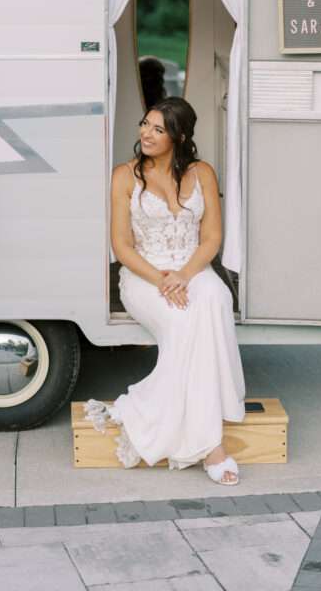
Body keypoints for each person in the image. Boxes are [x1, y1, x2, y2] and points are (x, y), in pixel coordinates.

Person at [86, 97, 245, 484]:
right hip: (143, 275)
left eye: (158, 129)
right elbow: (122, 248)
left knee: (217, 299)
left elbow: (212, 238)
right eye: (145, 125)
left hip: (193, 268)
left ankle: (167, 418)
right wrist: (161, 279)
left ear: (180, 135)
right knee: (184, 325)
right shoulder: (124, 176)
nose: (146, 133)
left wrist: (185, 275)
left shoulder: (202, 172)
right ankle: (212, 447)